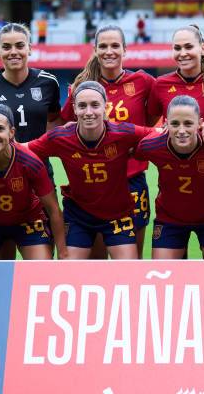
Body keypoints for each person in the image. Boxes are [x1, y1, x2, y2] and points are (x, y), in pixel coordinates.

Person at [0, 82, 204, 259]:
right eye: (82, 106)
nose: (88, 112)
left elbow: (169, 131)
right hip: (78, 215)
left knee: (129, 275)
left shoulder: (123, 132)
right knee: (69, 272)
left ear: (106, 108)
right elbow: (23, 149)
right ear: (75, 110)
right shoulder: (60, 136)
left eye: (94, 105)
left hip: (118, 215)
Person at [0, 22, 61, 259]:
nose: (13, 52)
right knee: (0, 270)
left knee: (41, 270)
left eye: (19, 45)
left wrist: (39, 153)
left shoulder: (49, 83)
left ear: (30, 48)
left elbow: (54, 124)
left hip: (39, 183)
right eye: (6, 47)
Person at [60, 25, 157, 257]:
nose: (109, 51)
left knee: (131, 264)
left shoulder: (143, 81)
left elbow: (153, 120)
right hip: (94, 185)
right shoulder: (82, 89)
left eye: (115, 45)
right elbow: (64, 126)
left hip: (131, 182)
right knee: (97, 264)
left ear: (125, 50)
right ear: (95, 50)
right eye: (103, 46)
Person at [135, 95, 204, 259]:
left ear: (200, 124)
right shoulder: (151, 145)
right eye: (175, 124)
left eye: (188, 123)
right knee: (163, 275)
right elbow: (132, 152)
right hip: (170, 218)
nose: (181, 131)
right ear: (165, 123)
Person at [0, 104, 67, 260]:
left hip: (28, 222)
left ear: (11, 132)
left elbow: (54, 209)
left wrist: (63, 254)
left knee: (41, 273)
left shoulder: (30, 162)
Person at [147, 24, 204, 129]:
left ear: (203, 48)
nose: (182, 53)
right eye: (177, 48)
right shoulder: (160, 84)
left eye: (189, 47)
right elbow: (149, 125)